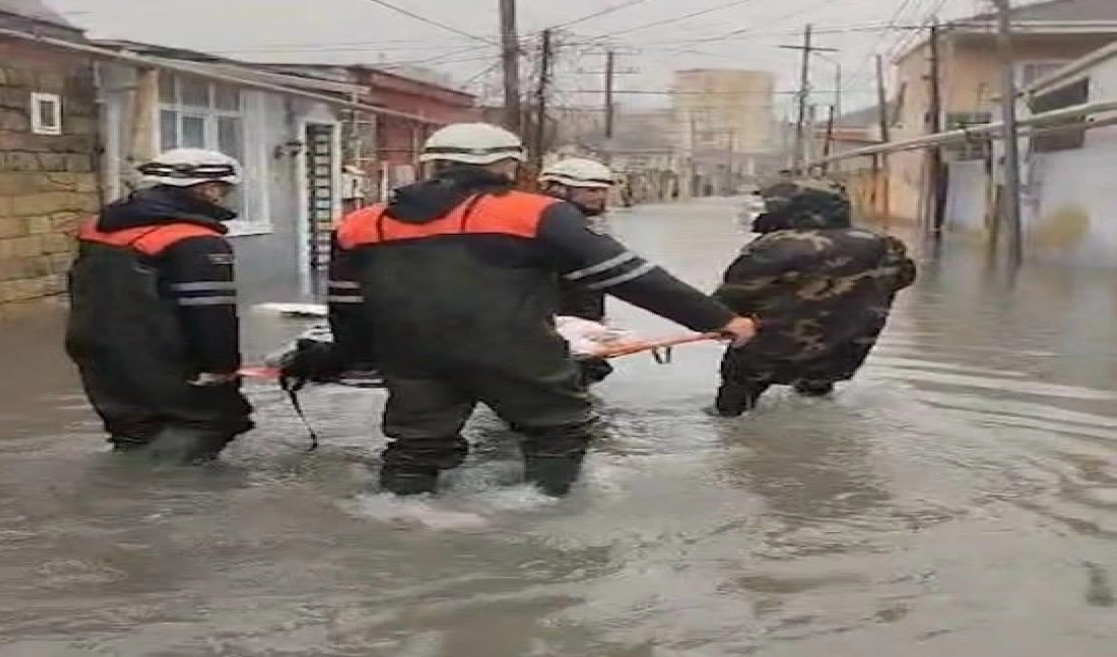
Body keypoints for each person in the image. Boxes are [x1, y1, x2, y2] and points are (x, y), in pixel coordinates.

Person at [303, 122, 755, 497]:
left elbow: (346, 305)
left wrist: (346, 359)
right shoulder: (535, 213)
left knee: (416, 446)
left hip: (410, 357)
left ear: (431, 163)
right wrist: (718, 319)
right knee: (558, 431)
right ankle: (544, 516)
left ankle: (402, 516)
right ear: (508, 165)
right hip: (514, 352)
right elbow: (627, 275)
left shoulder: (361, 223)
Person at [64, 148, 253, 463]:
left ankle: (126, 487)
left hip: (95, 351)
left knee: (134, 430)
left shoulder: (97, 227)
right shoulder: (195, 241)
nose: (223, 197)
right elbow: (211, 313)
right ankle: (170, 489)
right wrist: (221, 369)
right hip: (161, 358)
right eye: (224, 189)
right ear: (208, 188)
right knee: (212, 422)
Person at [706, 177, 917, 417]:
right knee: (815, 405)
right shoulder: (883, 245)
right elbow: (901, 279)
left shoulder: (774, 246)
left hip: (767, 356)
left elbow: (729, 299)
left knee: (731, 416)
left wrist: (717, 322)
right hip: (841, 353)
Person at [538, 157, 618, 386]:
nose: (599, 196)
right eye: (591, 190)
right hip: (552, 325)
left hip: (582, 322)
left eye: (603, 190)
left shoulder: (589, 226)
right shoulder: (548, 228)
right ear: (559, 190)